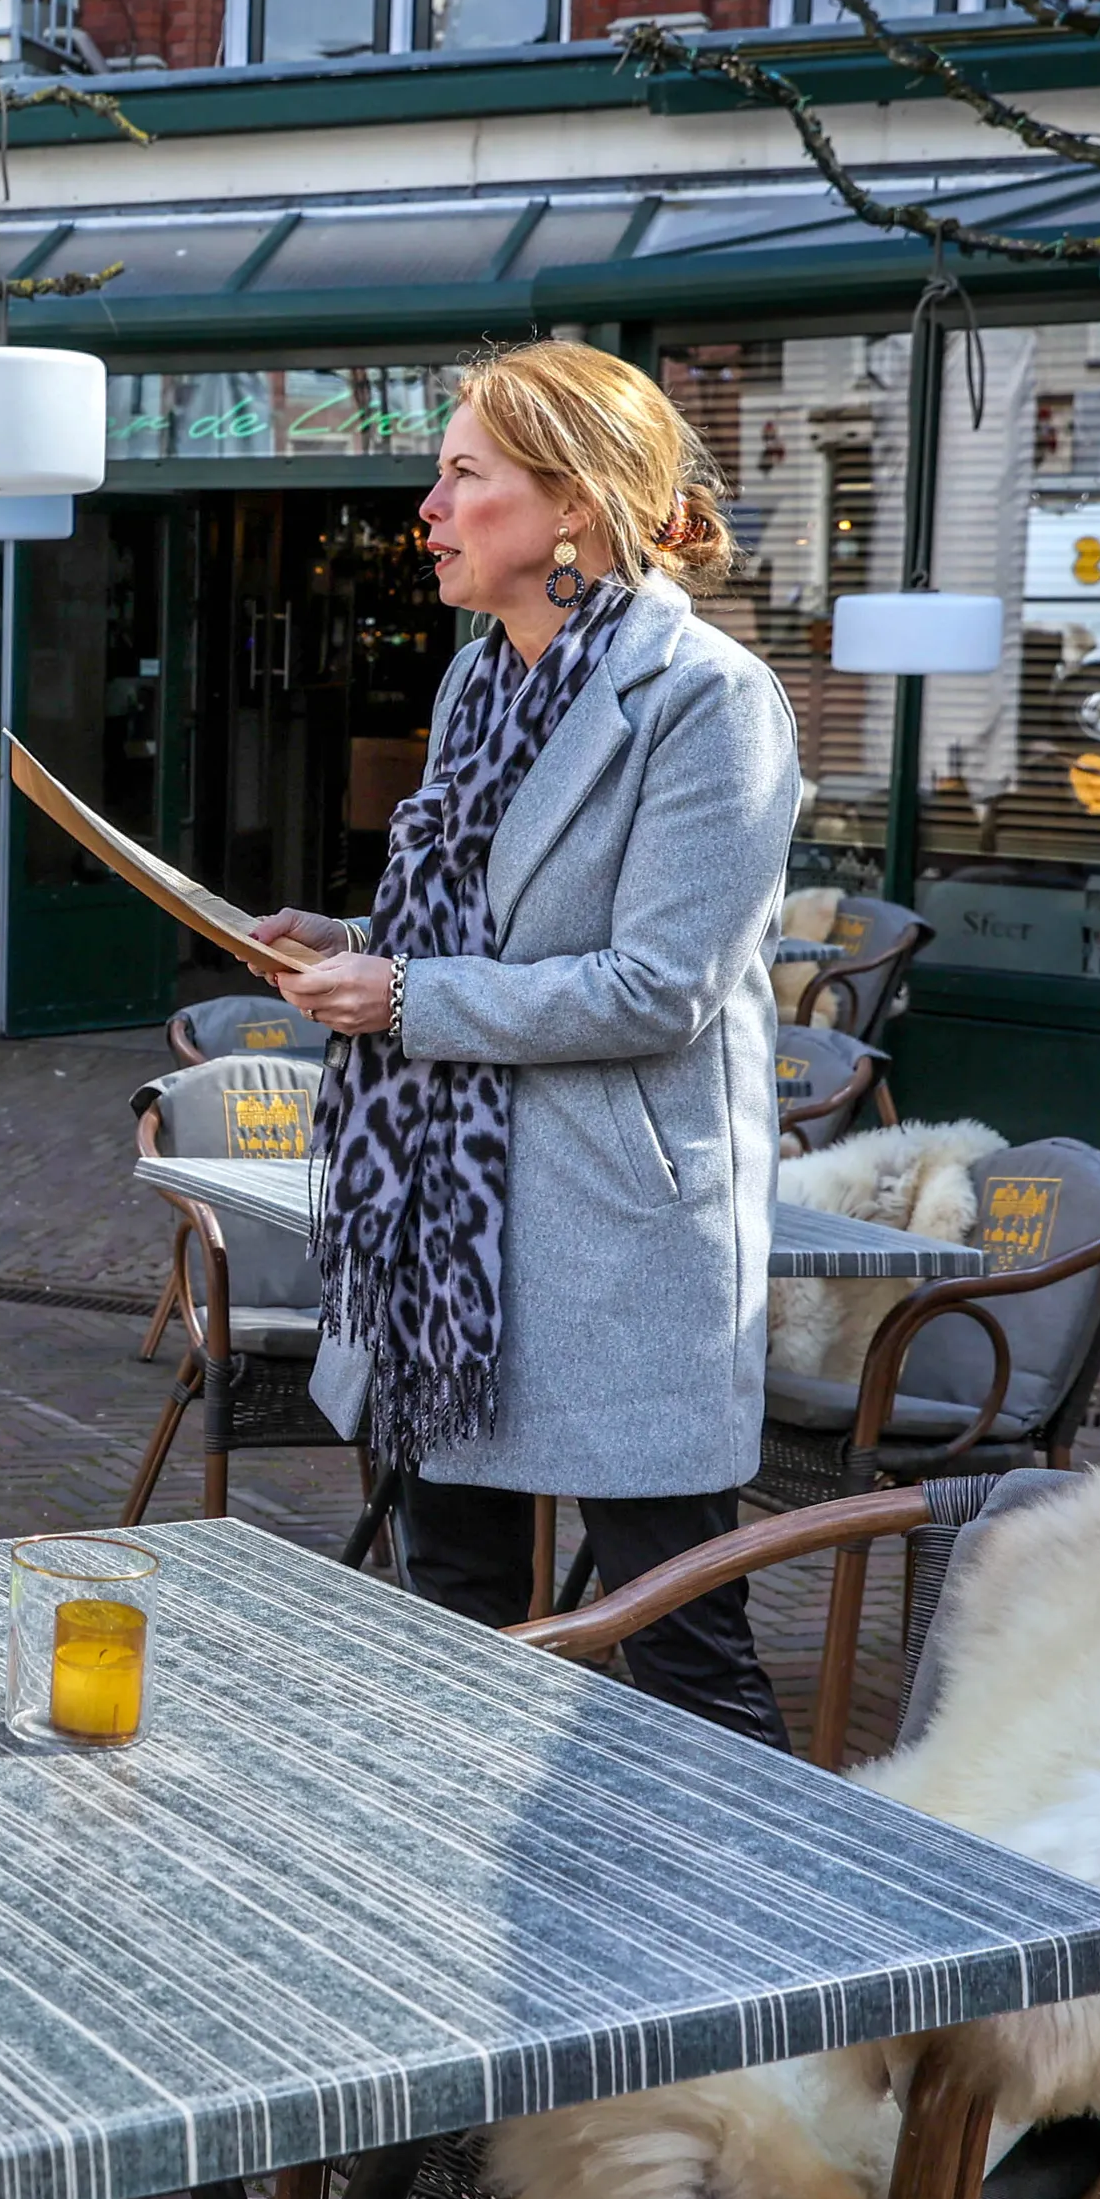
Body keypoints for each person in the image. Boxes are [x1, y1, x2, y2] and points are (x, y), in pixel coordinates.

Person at [251, 339, 802, 1746]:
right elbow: (474, 921)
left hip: (616, 1243)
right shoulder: (473, 686)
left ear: (569, 507)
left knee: (678, 1639)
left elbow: (658, 986)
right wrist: (351, 934)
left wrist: (408, 1000)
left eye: (461, 475)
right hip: (456, 1237)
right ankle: (479, 1921)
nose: (425, 509)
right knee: (459, 1615)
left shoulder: (710, 700)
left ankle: (778, 1924)